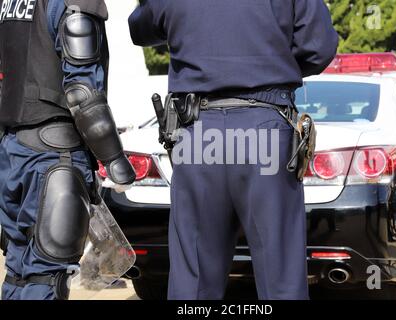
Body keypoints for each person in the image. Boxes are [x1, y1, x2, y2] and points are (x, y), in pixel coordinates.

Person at [129, 0, 338, 300]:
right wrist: (271, 63)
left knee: (194, 284)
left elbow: (140, 29)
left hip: (198, 133)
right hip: (265, 128)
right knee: (282, 281)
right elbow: (319, 47)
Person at [0, 0, 136, 300]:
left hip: (13, 150)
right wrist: (114, 158)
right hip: (53, 156)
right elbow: (82, 93)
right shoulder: (72, 3)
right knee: (46, 276)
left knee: (20, 272)